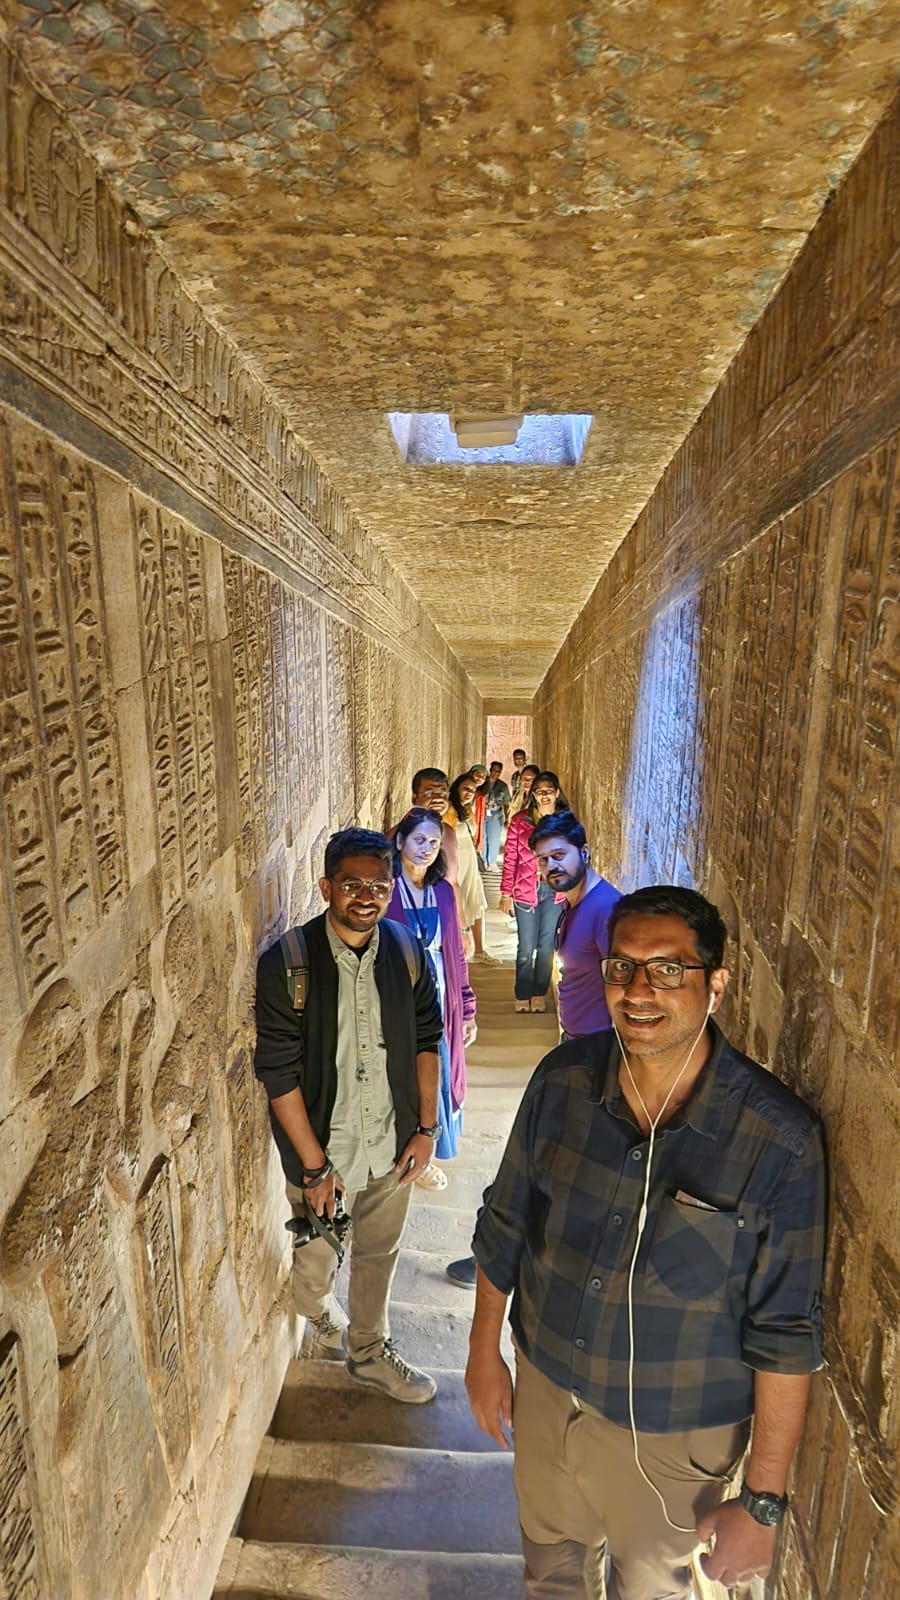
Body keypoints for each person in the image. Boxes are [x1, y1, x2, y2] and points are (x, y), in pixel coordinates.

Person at [465, 885, 827, 1598]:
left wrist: (761, 1503)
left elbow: (786, 1330)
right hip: (546, 1391)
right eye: (622, 967)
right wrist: (483, 1353)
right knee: (550, 1573)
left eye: (667, 970)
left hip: (671, 1439)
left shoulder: (777, 1142)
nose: (637, 990)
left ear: (715, 985)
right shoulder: (563, 1083)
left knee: (653, 1590)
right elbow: (504, 1221)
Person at [253, 827, 443, 1404]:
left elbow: (427, 1039)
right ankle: (314, 1307)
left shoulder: (405, 952)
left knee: (379, 1252)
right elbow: (279, 1073)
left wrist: (426, 1129)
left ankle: (369, 1352)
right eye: (352, 885)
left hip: (391, 1141)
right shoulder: (290, 963)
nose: (366, 898)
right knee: (317, 1257)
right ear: (326, 887)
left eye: (379, 887)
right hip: (325, 1152)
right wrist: (313, 1167)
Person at [385, 808, 477, 1192]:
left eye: (434, 842)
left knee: (439, 1069)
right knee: (408, 1073)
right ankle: (411, 1155)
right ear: (400, 841)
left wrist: (467, 1008)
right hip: (402, 1002)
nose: (426, 848)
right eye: (419, 840)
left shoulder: (443, 893)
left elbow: (455, 953)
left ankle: (430, 1147)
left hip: (442, 997)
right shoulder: (386, 890)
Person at [530, 810, 621, 1037]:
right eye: (543, 859)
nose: (551, 866)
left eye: (559, 855)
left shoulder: (606, 910)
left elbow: (623, 987)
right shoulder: (572, 903)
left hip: (597, 1043)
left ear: (585, 853)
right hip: (576, 1039)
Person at [499, 771, 567, 1013]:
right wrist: (506, 893)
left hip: (555, 891)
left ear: (557, 793)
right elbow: (510, 858)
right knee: (526, 947)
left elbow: (575, 858)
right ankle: (523, 993)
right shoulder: (520, 822)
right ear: (533, 795)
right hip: (526, 890)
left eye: (549, 791)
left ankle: (539, 994)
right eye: (539, 791)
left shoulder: (566, 822)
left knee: (547, 946)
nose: (544, 795)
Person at [446, 772, 496, 963]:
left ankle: (479, 950)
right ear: (456, 788)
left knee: (475, 902)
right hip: (456, 862)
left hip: (470, 864)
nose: (469, 793)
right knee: (457, 904)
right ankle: (458, 950)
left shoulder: (467, 810)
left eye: (472, 790)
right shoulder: (449, 810)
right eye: (465, 788)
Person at [480, 761, 512, 869]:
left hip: (496, 814)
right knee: (482, 837)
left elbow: (506, 803)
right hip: (482, 813)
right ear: (490, 769)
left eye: (498, 771)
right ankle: (484, 861)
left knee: (494, 838)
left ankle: (492, 862)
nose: (496, 773)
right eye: (494, 770)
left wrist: (507, 818)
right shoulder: (482, 783)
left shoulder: (502, 786)